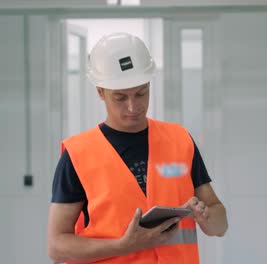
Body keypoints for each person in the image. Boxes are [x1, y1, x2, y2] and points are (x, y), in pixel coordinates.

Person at [47, 32, 228, 264]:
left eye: (141, 93)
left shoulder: (179, 140)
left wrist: (206, 217)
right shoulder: (78, 154)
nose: (133, 106)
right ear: (100, 92)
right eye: (120, 98)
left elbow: (220, 225)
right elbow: (56, 246)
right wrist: (123, 246)